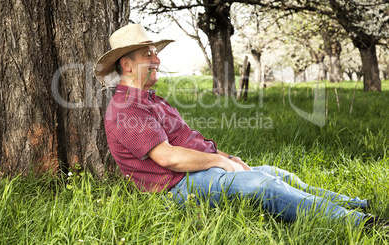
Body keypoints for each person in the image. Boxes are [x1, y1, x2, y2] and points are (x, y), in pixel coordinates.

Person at [95, 23, 388, 229]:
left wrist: (230, 158)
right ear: (128, 64)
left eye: (155, 52)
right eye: (148, 54)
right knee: (264, 185)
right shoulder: (126, 109)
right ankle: (359, 224)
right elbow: (168, 158)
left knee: (276, 173)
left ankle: (357, 205)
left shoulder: (150, 100)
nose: (157, 58)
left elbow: (189, 144)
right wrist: (221, 163)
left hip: (192, 174)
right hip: (176, 187)